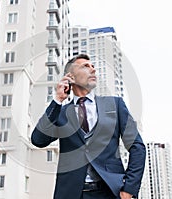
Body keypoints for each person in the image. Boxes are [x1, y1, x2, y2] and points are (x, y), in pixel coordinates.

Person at [31, 54, 146, 199]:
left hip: (110, 192)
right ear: (70, 76)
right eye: (85, 66)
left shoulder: (114, 104)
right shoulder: (60, 112)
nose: (93, 70)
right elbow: (37, 140)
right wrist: (58, 100)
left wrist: (129, 188)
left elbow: (137, 146)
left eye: (93, 66)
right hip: (71, 193)